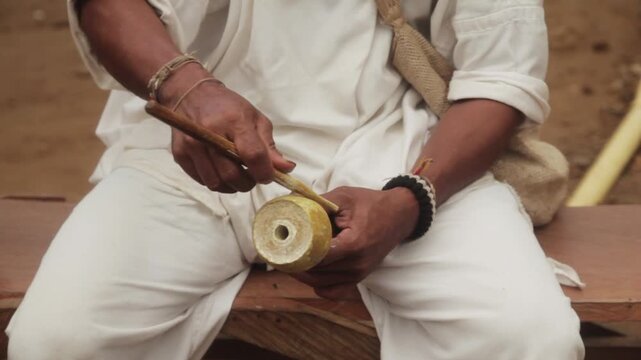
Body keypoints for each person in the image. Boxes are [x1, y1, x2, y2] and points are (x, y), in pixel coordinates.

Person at [7, 0, 585, 359]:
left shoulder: (408, 182)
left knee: (530, 340)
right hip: (189, 153)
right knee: (57, 342)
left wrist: (410, 204)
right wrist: (188, 91)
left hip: (404, 155)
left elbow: (499, 79)